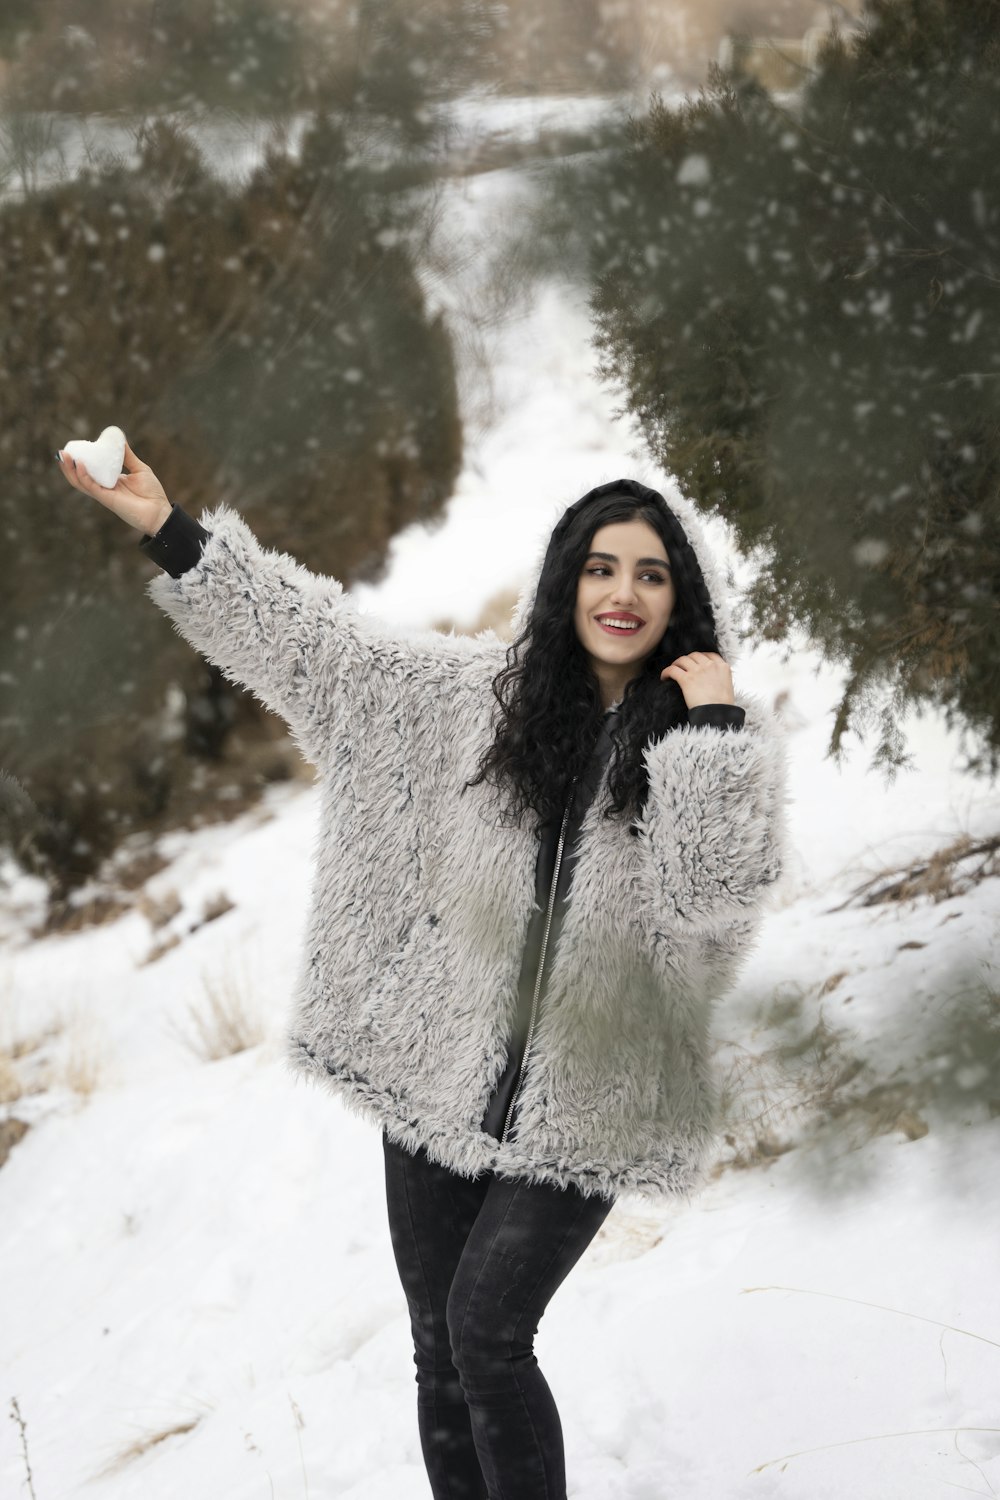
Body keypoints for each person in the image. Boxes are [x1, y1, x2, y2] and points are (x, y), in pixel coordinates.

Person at [56, 441, 789, 1500]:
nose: (620, 592)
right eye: (598, 566)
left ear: (680, 598)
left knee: (488, 1335)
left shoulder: (714, 742)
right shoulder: (468, 700)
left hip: (597, 1092)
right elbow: (316, 650)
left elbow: (713, 892)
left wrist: (712, 724)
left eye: (648, 572)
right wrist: (171, 529)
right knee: (438, 1351)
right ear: (563, 581)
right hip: (435, 1064)